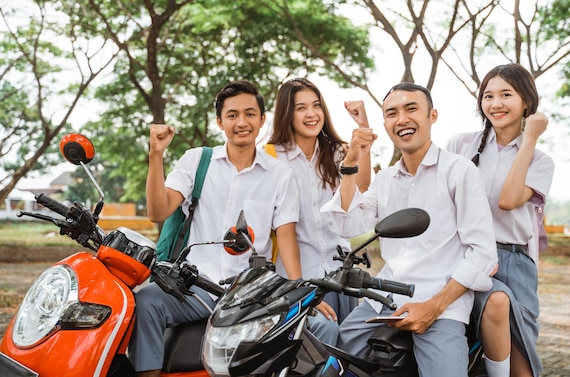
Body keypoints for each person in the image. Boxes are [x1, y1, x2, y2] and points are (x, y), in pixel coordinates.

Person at [321, 82, 498, 377]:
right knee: (335, 359)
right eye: (392, 113)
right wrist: (350, 164)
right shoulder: (386, 178)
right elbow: (349, 225)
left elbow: (482, 254)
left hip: (442, 304)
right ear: (386, 124)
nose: (401, 119)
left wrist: (433, 306)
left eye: (411, 109)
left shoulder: (459, 171)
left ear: (432, 116)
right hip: (386, 299)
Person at [130, 80, 302, 377]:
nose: (242, 122)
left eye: (250, 114)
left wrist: (300, 290)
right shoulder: (197, 160)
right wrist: (155, 154)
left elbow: (286, 238)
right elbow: (157, 211)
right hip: (194, 287)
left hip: (248, 295)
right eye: (232, 115)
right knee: (146, 300)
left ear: (262, 119)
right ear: (220, 122)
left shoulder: (280, 175)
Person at [446, 63, 554, 377]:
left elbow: (508, 200)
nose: (495, 104)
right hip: (464, 255)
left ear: (527, 103)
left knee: (520, 365)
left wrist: (529, 138)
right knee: (458, 343)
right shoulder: (461, 145)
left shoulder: (541, 161)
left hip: (513, 262)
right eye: (488, 96)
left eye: (506, 94)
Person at [267, 78, 372, 344]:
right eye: (300, 108)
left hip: (341, 274)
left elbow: (362, 186)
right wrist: (299, 288)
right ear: (286, 114)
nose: (311, 114)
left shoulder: (336, 152)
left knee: (347, 350)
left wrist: (363, 129)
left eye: (316, 106)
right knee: (318, 345)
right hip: (298, 278)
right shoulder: (270, 157)